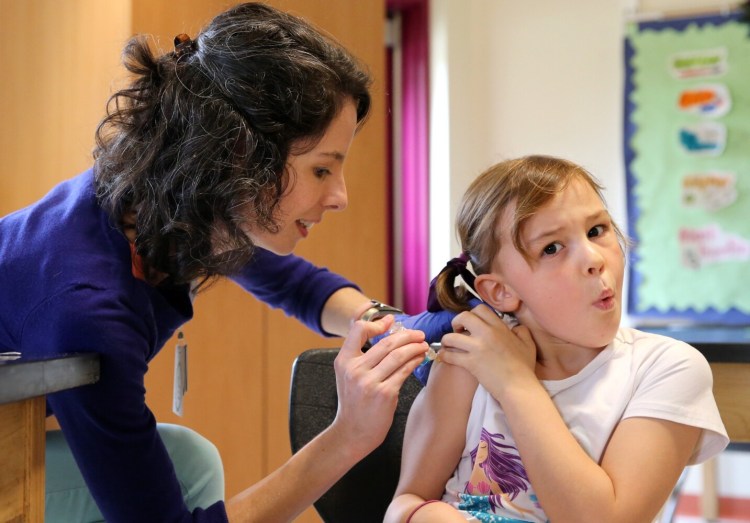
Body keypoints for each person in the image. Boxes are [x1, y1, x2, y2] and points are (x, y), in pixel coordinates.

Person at [0, 3, 451, 522]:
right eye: (322, 169)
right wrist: (347, 437)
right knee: (187, 472)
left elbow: (297, 286)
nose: (340, 197)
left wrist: (403, 325)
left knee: (189, 461)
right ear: (238, 157)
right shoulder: (88, 308)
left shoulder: (167, 204)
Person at [384, 155, 729, 523]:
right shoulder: (469, 365)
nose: (594, 258)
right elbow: (406, 503)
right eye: (551, 248)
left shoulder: (666, 368)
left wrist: (515, 384)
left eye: (597, 230)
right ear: (500, 291)